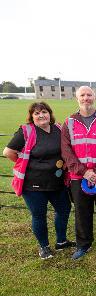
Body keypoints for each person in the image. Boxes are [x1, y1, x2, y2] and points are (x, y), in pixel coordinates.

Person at [3, 102, 74, 259]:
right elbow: (8, 152)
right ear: (31, 116)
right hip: (33, 185)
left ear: (50, 113)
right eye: (36, 113)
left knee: (64, 209)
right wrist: (23, 164)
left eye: (44, 111)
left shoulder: (58, 129)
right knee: (39, 215)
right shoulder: (26, 131)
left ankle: (61, 241)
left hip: (57, 182)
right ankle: (44, 247)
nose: (41, 115)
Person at [61, 86, 96, 260]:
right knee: (81, 211)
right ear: (76, 98)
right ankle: (83, 244)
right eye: (82, 95)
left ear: (94, 96)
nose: (86, 98)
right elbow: (66, 151)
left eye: (89, 95)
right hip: (79, 177)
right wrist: (84, 172)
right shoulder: (69, 122)